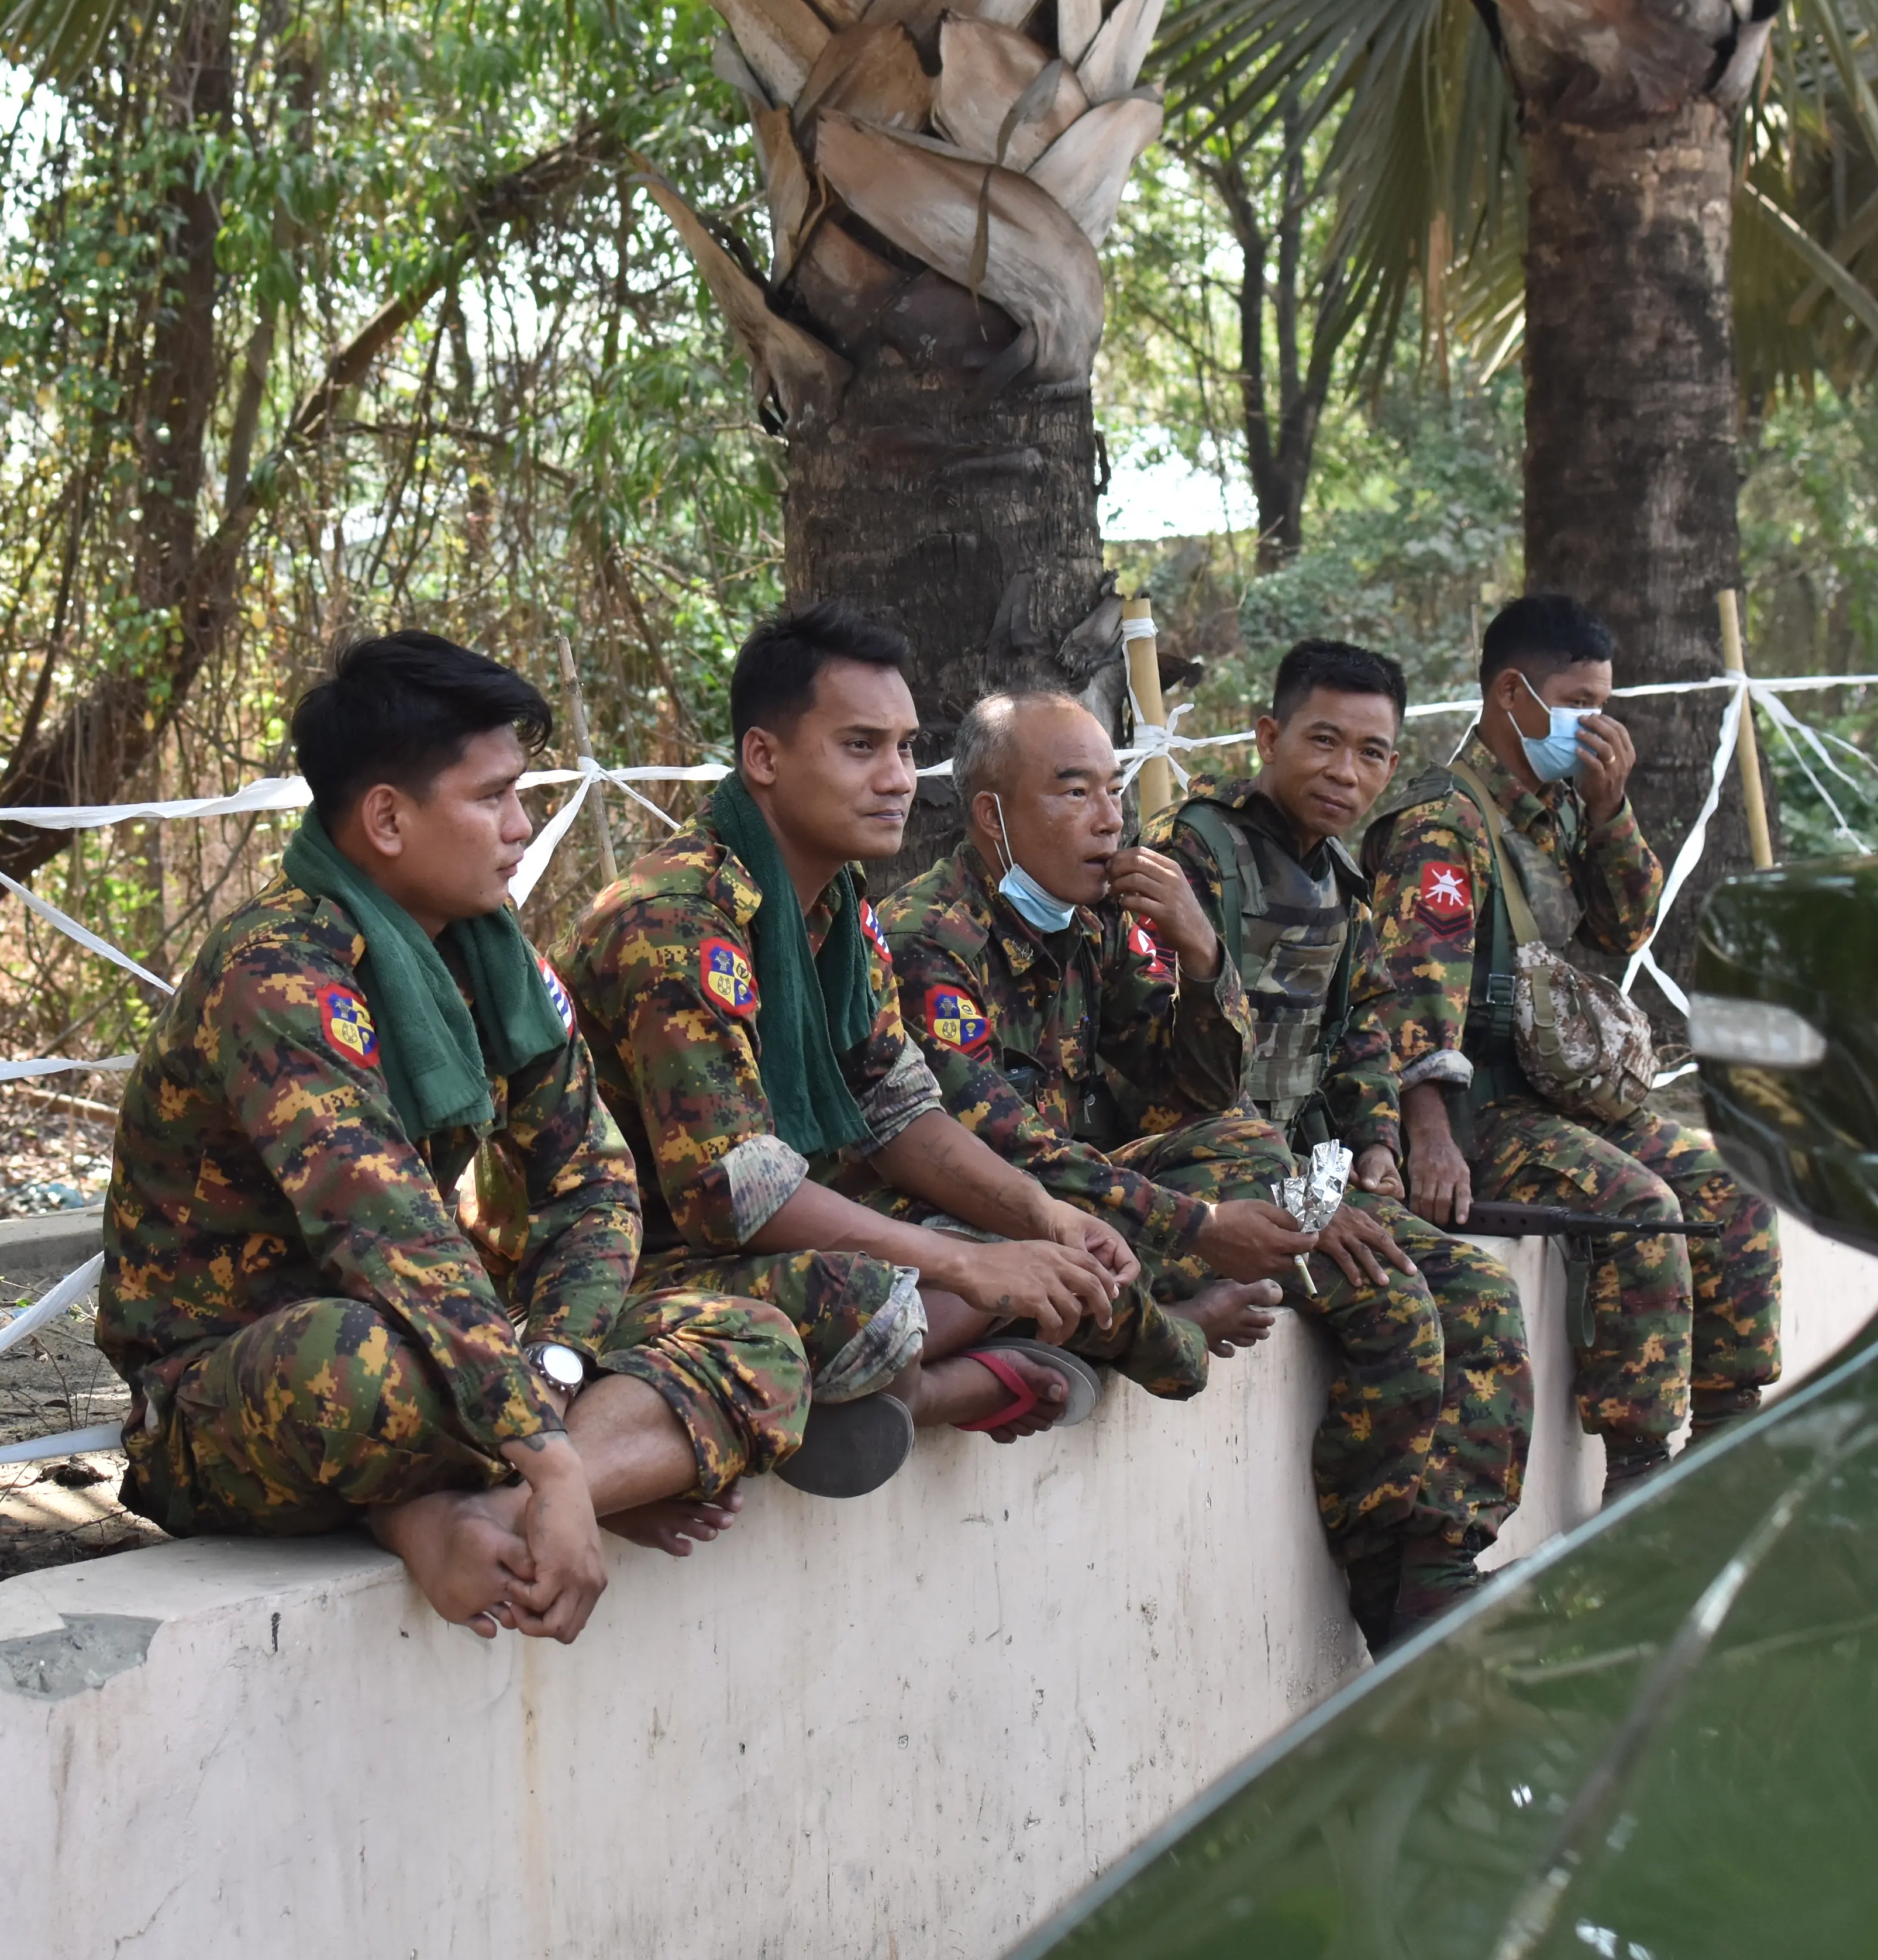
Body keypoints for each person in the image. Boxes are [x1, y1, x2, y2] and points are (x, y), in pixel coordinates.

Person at [97, 632, 811, 1646]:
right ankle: (538, 1487)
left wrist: (557, 1368)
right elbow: (389, 1232)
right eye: (493, 799)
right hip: (250, 1386)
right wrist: (554, 1455)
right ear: (387, 816)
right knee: (358, 1362)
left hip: (457, 1358)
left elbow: (593, 1183)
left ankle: (476, 1518)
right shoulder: (279, 972)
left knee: (759, 1335)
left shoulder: (489, 958)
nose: (522, 828)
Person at [563, 604, 1139, 1469]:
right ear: (764, 758)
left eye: (907, 748)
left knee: (1042, 1254)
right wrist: (964, 1268)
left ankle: (889, 1385)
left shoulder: (837, 911)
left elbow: (898, 1109)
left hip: (749, 1247)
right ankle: (933, 1390)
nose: (899, 778)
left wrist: (1044, 1215)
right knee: (879, 1296)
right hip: (627, 1269)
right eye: (861, 746)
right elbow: (738, 1194)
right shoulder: (675, 920)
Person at [1349, 593, 1784, 1501]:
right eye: (1581, 702)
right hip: (1479, 1109)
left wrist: (1611, 806)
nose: (1598, 725)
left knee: (1732, 1186)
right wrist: (1426, 1135)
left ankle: (1729, 1443)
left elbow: (1627, 927)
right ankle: (1638, 1478)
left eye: (1604, 703)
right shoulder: (1442, 821)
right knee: (1641, 1205)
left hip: (1555, 1101)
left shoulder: (1557, 808)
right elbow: (1406, 997)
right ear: (1513, 695)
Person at [1157, 637, 1529, 1648]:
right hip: (1202, 1157)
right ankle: (1381, 1577)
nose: (1347, 773)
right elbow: (1158, 1058)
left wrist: (1374, 1147)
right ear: (1269, 736)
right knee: (1395, 1303)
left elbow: (1360, 1033)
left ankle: (1440, 1558)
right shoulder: (1199, 853)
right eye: (1324, 742)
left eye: (1373, 754)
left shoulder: (1343, 881)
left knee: (1484, 1297)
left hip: (1308, 1168)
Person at [878, 688, 1302, 1406]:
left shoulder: (1095, 918)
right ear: (993, 816)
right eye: (1075, 793)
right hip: (972, 1208)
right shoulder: (930, 940)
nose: (1111, 821)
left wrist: (1201, 953)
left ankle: (1073, 1321)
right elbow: (1010, 1158)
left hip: (1077, 1201)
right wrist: (1200, 1229)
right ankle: (1163, 1329)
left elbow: (1198, 1094)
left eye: (1114, 791)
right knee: (1043, 1244)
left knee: (1253, 1157)